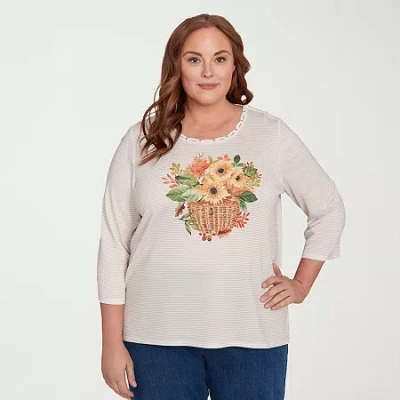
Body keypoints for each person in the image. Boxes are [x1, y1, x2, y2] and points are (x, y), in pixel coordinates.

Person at [96, 13, 346, 400]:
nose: (208, 71)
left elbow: (328, 208)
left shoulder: (270, 136)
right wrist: (111, 343)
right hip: (155, 337)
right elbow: (115, 245)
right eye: (194, 59)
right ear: (176, 65)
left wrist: (301, 284)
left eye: (220, 58)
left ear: (235, 66)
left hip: (252, 333)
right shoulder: (142, 139)